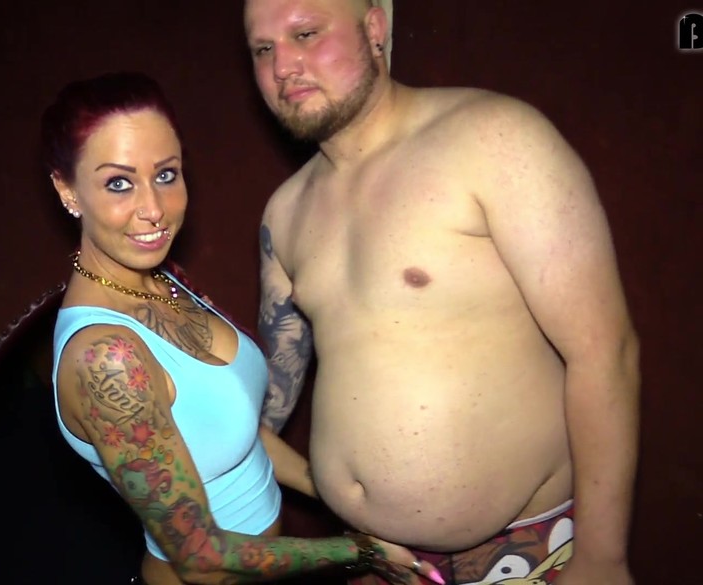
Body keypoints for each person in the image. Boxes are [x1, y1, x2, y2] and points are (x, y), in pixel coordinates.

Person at [243, 1, 640, 584]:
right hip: (378, 560)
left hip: (526, 553)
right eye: (263, 48)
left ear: (374, 29)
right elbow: (267, 403)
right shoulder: (285, 211)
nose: (283, 66)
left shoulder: (493, 137)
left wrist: (603, 558)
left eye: (305, 33)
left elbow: (604, 351)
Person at [43, 71, 442, 585]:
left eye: (166, 175)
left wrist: (343, 497)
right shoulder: (106, 358)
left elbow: (237, 430)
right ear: (68, 190)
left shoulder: (163, 281)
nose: (154, 210)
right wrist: (360, 551)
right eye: (119, 183)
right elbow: (199, 556)